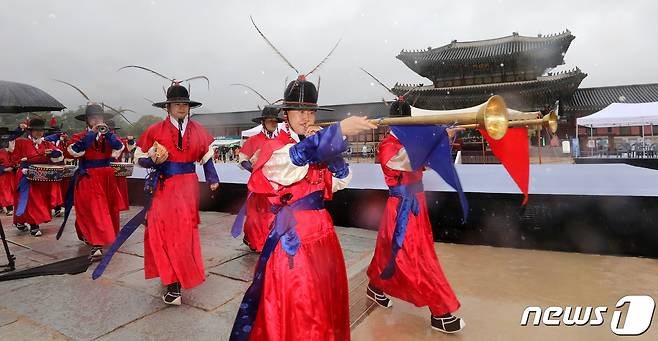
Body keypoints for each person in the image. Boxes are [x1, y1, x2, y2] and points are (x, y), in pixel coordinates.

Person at [230, 76, 377, 340]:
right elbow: (291, 164)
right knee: (302, 307)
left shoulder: (318, 145)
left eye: (310, 111)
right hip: (292, 239)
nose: (306, 117)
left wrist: (331, 151)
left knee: (325, 302)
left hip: (324, 237)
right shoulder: (275, 148)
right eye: (299, 111)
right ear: (286, 115)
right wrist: (335, 134)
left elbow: (341, 180)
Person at [365, 123, 465, 334]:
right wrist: (436, 138)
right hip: (402, 209)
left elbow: (426, 162)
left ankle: (375, 287)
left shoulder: (406, 143)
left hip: (416, 206)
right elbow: (409, 161)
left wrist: (444, 139)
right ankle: (441, 313)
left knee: (389, 254)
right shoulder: (388, 146)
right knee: (418, 259)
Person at [132, 81, 220, 305]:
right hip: (164, 187)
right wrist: (151, 158)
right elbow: (139, 158)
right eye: (177, 104)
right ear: (167, 107)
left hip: (188, 189)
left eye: (185, 104)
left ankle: (179, 276)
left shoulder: (198, 130)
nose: (182, 108)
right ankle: (171, 283)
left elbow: (206, 157)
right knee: (162, 233)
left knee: (183, 235)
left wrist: (212, 178)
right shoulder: (155, 130)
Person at [62, 104, 127, 257]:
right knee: (94, 210)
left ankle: (99, 235)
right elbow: (73, 152)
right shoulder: (80, 136)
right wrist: (91, 134)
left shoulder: (109, 136)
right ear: (87, 121)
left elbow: (119, 148)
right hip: (88, 177)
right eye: (93, 117)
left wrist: (109, 135)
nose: (97, 120)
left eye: (99, 117)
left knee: (108, 208)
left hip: (106, 176)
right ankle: (96, 243)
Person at [233, 105, 286, 252]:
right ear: (263, 122)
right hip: (257, 184)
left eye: (275, 121)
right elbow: (243, 160)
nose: (273, 123)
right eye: (270, 121)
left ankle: (271, 241)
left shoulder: (283, 139)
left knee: (272, 214)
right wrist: (254, 169)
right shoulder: (253, 140)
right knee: (255, 216)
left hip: (276, 184)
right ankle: (256, 242)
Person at [12, 118, 64, 236]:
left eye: (41, 130)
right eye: (36, 130)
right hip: (26, 175)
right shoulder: (21, 142)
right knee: (29, 200)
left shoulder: (46, 143)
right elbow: (9, 144)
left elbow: (59, 154)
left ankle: (23, 221)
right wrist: (18, 130)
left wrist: (52, 153)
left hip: (41, 178)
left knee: (39, 201)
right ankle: (34, 225)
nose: (39, 133)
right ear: (30, 131)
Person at [0, 125, 25, 216]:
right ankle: (8, 208)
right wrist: (4, 169)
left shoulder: (9, 149)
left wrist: (15, 166)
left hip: (11, 173)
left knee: (11, 190)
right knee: (5, 191)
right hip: (3, 174)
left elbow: (15, 135)